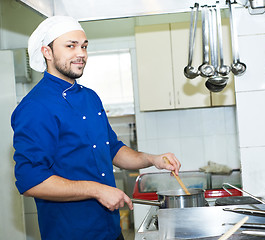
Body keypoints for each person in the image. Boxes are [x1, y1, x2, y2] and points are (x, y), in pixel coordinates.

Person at [11, 16, 181, 240]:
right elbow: (31, 180)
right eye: (70, 46)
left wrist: (153, 159)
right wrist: (97, 190)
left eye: (84, 46)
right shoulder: (36, 107)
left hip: (110, 229)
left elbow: (113, 150)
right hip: (72, 232)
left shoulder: (90, 97)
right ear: (47, 52)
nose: (80, 53)